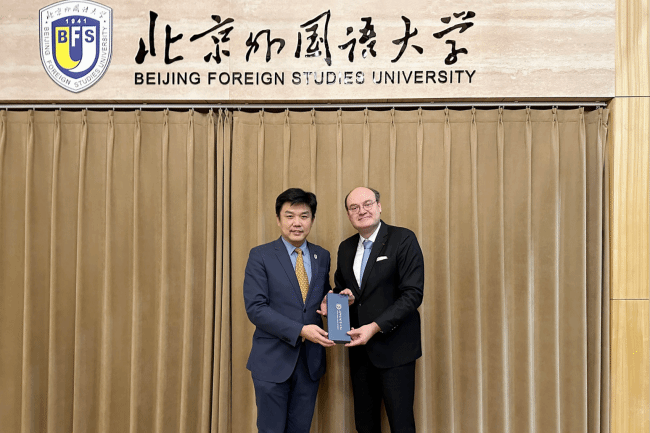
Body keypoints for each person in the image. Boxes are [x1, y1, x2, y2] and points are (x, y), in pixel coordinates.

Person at [244, 188, 335, 433]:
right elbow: (256, 309)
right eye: (290, 216)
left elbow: (320, 297)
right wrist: (301, 330)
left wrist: (333, 302)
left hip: (309, 364)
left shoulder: (322, 256)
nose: (297, 223)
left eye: (304, 216)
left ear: (312, 220)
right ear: (278, 219)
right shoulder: (260, 255)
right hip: (272, 361)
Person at [334, 186, 425, 433]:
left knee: (401, 424)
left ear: (379, 206)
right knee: (365, 425)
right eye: (354, 207)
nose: (361, 211)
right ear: (348, 214)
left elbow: (412, 294)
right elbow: (342, 289)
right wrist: (339, 300)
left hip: (396, 348)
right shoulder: (345, 248)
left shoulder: (403, 239)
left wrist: (374, 327)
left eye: (367, 204)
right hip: (360, 352)